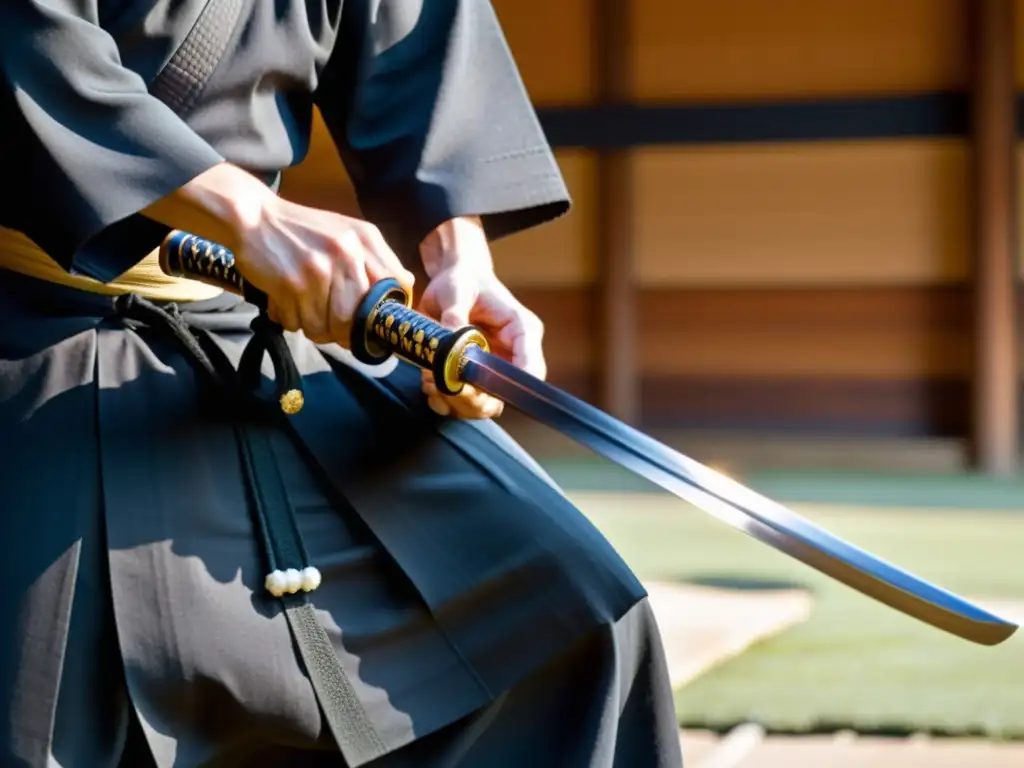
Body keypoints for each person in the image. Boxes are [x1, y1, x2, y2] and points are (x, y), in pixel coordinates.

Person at [0, 1, 685, 766]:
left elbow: (419, 33)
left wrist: (459, 256)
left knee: (575, 616)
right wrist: (250, 214)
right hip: (29, 322)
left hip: (254, 327)